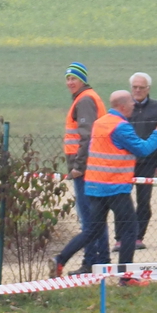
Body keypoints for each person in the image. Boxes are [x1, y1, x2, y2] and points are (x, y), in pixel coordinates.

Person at [51, 88, 157, 276]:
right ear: (122, 106)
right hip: (115, 187)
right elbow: (143, 149)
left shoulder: (99, 123)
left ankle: (60, 260)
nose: (134, 104)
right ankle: (125, 276)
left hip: (94, 186)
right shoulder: (120, 127)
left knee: (92, 230)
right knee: (130, 230)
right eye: (131, 102)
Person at [52, 63, 105, 274]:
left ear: (83, 80)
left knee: (89, 219)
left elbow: (87, 135)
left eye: (74, 78)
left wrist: (78, 166)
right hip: (92, 166)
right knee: (95, 218)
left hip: (86, 169)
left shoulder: (84, 100)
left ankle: (91, 261)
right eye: (67, 79)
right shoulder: (87, 98)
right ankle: (101, 261)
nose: (70, 82)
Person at [127, 72, 157, 247]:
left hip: (148, 163)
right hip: (126, 163)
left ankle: (138, 237)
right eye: (134, 87)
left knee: (143, 202)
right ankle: (122, 238)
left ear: (148, 89)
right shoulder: (125, 108)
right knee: (121, 201)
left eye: (141, 87)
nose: (137, 90)